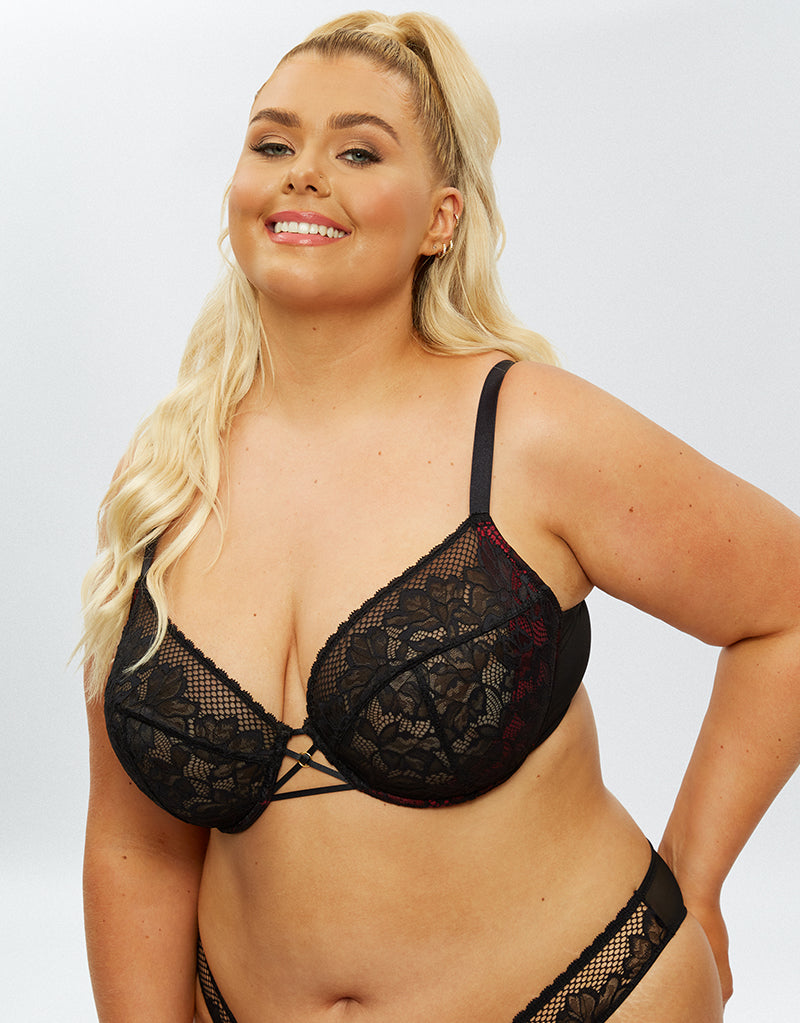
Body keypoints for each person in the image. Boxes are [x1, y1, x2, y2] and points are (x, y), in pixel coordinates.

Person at [80, 11, 800, 1023]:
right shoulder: (165, 476)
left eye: (358, 152)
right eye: (272, 144)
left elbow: (784, 608)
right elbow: (135, 844)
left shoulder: (529, 432)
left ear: (439, 220)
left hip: (578, 996)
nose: (302, 173)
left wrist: (698, 870)